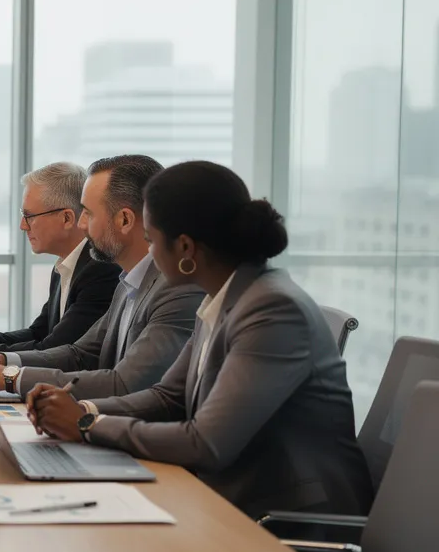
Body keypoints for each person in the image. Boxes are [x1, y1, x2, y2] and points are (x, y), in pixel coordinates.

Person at [27, 161, 373, 519]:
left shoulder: (272, 310)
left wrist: (87, 425)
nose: (149, 254)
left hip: (288, 519)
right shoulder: (221, 297)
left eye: (151, 240)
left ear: (186, 248)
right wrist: (84, 410)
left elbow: (206, 442)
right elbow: (168, 397)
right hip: (234, 497)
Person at [0, 155, 202, 402]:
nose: (81, 224)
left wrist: (7, 377)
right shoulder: (128, 283)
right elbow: (80, 353)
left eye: (88, 213)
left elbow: (125, 384)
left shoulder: (177, 290)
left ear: (124, 220)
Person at [0, 162, 119, 354]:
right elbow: (38, 333)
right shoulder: (65, 266)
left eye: (29, 216)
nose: (23, 225)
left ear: (67, 219)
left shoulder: (100, 270)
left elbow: (53, 348)